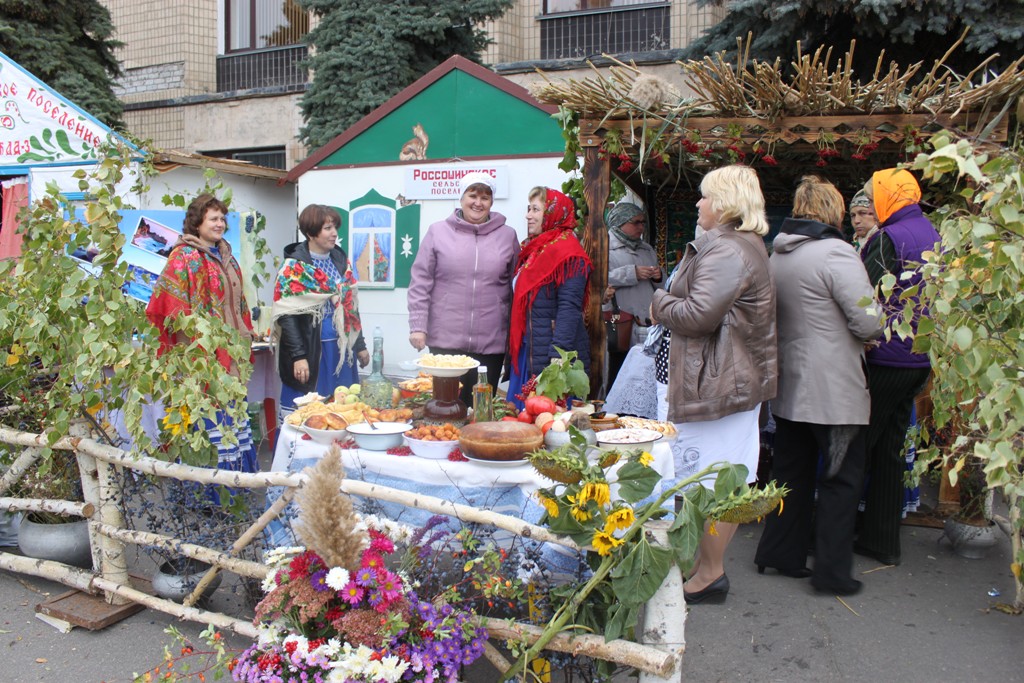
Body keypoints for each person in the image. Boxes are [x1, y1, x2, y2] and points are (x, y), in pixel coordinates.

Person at [649, 164, 777, 605]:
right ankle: (706, 569)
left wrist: (659, 301)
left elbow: (697, 316)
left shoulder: (727, 249)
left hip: (716, 384)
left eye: (704, 197)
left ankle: (710, 574)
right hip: (719, 381)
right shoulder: (736, 245)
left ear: (723, 203)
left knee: (716, 481)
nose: (698, 204)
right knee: (712, 479)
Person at [753, 177, 883, 596]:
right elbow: (867, 319)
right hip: (834, 389)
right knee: (840, 479)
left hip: (791, 384)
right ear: (834, 211)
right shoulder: (837, 253)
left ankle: (779, 553)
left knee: (791, 473)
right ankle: (831, 572)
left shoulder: (779, 255)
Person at [146, 193, 259, 491]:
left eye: (222, 219)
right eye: (213, 219)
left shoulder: (227, 257)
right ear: (197, 224)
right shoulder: (183, 257)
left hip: (232, 352)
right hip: (203, 358)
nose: (220, 223)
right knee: (208, 420)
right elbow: (167, 305)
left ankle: (236, 488)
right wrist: (193, 351)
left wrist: (245, 334)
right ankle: (208, 496)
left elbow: (239, 304)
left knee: (233, 417)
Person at [856, 168, 940, 566]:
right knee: (890, 447)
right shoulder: (933, 232)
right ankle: (882, 541)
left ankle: (832, 541)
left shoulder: (889, 238)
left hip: (886, 356)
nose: (872, 203)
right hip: (920, 357)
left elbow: (863, 295)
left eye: (875, 196)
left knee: (857, 447)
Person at [407, 171, 519, 404]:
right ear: (461, 197)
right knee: (445, 406)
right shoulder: (438, 232)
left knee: (481, 408)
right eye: (472, 195)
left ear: (491, 202)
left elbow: (515, 286)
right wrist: (418, 326)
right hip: (445, 342)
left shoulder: (507, 236)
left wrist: (513, 335)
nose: (478, 203)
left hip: (491, 342)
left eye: (485, 197)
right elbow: (420, 281)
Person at [271, 204, 369, 414]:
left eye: (335, 228)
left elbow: (351, 307)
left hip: (341, 351)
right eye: (327, 228)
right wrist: (298, 357)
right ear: (310, 233)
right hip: (313, 351)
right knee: (310, 415)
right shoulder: (294, 268)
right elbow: (286, 316)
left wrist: (359, 345)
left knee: (342, 412)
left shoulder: (341, 262)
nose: (334, 234)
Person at [506, 187, 593, 409]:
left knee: (549, 421)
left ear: (553, 213)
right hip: (530, 349)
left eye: (536, 209)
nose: (528, 215)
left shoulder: (569, 253)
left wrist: (557, 358)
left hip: (552, 354)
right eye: (529, 209)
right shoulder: (534, 249)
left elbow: (569, 307)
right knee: (522, 421)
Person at [604, 201, 664, 388]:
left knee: (644, 374)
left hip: (645, 323)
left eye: (643, 222)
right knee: (619, 372)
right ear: (619, 223)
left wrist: (658, 276)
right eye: (635, 222)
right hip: (620, 322)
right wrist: (631, 273)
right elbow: (595, 280)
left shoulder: (646, 249)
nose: (641, 227)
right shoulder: (603, 247)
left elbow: (663, 286)